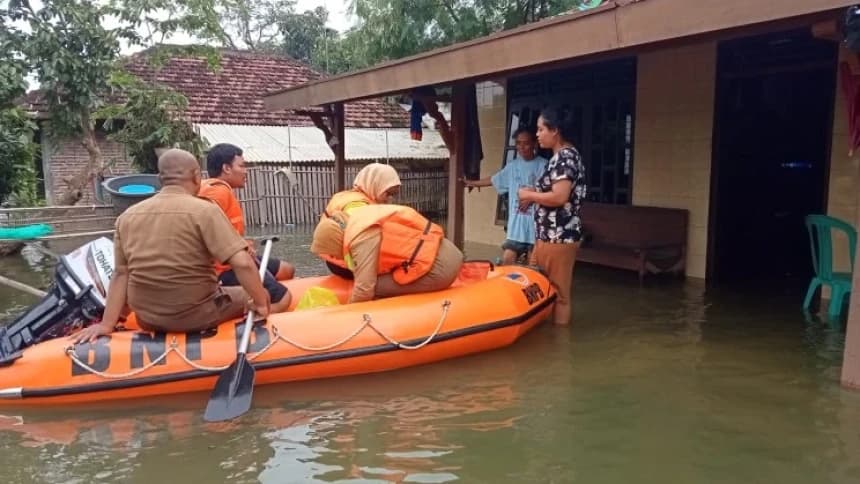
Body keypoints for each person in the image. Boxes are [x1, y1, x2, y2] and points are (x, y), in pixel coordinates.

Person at [71, 149, 270, 343]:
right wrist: (260, 303)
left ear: (160, 179)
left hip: (148, 320)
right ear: (195, 176)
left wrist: (106, 325)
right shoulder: (204, 211)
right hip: (198, 315)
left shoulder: (126, 218)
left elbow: (121, 274)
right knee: (261, 294)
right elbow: (243, 264)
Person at [199, 143, 293, 313]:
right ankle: (252, 315)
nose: (246, 171)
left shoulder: (215, 188)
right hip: (224, 268)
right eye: (241, 166)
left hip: (234, 256)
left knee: (287, 270)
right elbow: (203, 227)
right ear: (226, 168)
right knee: (285, 299)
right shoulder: (217, 193)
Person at [310, 204, 464, 304]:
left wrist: (345, 313)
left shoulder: (361, 239)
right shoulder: (360, 218)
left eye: (332, 252)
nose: (336, 258)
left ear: (334, 241)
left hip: (439, 270)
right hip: (448, 250)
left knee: (375, 287)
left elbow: (365, 289)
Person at [517, 109, 587, 326]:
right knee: (538, 285)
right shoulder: (559, 157)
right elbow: (552, 191)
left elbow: (559, 196)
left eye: (541, 129)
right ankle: (543, 335)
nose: (537, 134)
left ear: (555, 131)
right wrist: (534, 194)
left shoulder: (566, 157)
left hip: (559, 237)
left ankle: (559, 348)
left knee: (559, 294)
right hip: (546, 236)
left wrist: (529, 194)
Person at [463, 127, 548, 265]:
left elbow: (551, 190)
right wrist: (471, 182)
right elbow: (494, 179)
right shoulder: (512, 166)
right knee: (507, 260)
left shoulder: (544, 165)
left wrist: (532, 196)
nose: (522, 147)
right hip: (516, 229)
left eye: (526, 143)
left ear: (534, 144)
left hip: (536, 228)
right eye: (519, 143)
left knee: (533, 266)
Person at [319, 163, 402, 279]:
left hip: (336, 262)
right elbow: (362, 243)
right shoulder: (357, 206)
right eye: (388, 193)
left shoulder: (347, 196)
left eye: (393, 195)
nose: (390, 199)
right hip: (346, 265)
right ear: (374, 185)